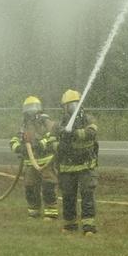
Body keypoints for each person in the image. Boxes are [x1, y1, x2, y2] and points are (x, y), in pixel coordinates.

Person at [55, 89, 99, 235]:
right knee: (68, 196)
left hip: (86, 166)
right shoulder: (61, 123)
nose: (73, 108)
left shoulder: (88, 119)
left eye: (75, 104)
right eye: (70, 105)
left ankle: (89, 227)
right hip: (67, 167)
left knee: (87, 194)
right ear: (64, 108)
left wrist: (74, 134)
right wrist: (60, 142)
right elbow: (53, 140)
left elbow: (92, 132)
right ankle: (70, 225)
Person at [9, 96, 58, 221]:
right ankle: (34, 212)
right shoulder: (23, 125)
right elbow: (14, 140)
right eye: (29, 108)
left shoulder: (45, 121)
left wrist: (42, 144)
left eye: (34, 108)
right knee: (30, 187)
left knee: (48, 186)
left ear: (39, 108)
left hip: (46, 162)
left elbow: (53, 134)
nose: (31, 111)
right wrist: (19, 148)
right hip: (30, 163)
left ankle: (51, 213)